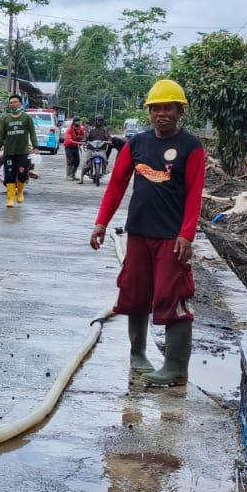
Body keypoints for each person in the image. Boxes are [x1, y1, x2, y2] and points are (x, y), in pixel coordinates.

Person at [89, 78, 205, 388]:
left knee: (173, 297)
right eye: (155, 109)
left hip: (171, 236)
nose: (161, 114)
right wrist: (101, 222)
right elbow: (116, 186)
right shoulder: (136, 144)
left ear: (180, 111)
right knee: (135, 293)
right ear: (149, 112)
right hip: (138, 232)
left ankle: (176, 367)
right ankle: (138, 355)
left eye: (168, 108)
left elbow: (195, 194)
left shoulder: (191, 147)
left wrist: (187, 235)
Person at [0, 93, 37, 208]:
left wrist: (36, 147)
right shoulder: (5, 118)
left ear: (20, 103)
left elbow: (32, 133)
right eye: (11, 102)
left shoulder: (26, 118)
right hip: (9, 153)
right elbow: (1, 136)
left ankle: (20, 191)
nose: (12, 104)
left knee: (22, 174)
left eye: (15, 102)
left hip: (23, 152)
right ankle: (10, 198)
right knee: (9, 175)